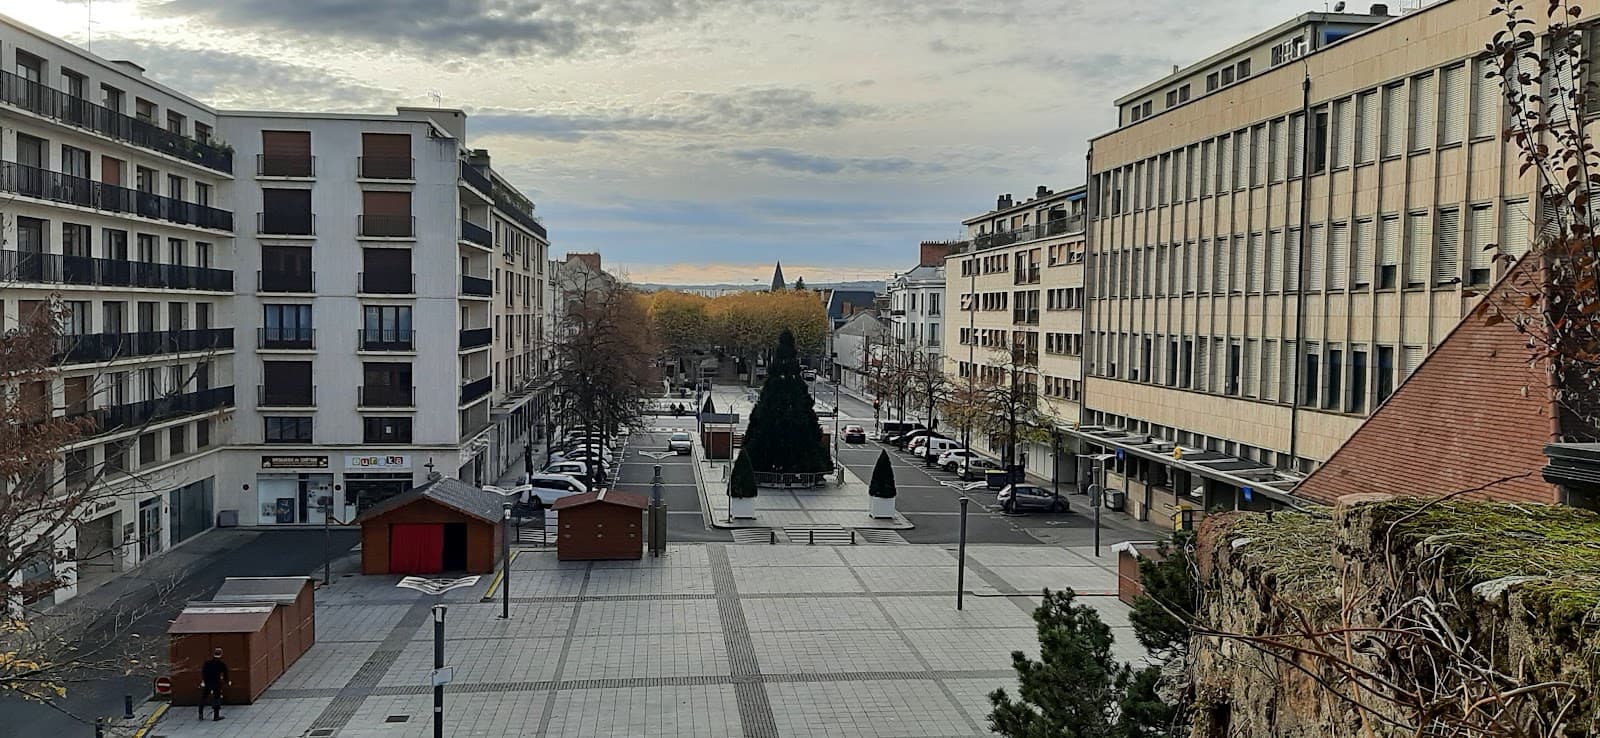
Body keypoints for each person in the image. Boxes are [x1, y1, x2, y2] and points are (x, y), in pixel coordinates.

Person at [200, 648, 229, 721]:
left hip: (208, 683)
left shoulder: (207, 663)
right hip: (216, 683)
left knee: (203, 698)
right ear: (221, 654)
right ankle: (216, 716)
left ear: (213, 654)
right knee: (216, 698)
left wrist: (205, 681)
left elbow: (203, 672)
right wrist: (226, 681)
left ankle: (200, 714)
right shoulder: (221, 664)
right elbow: (225, 674)